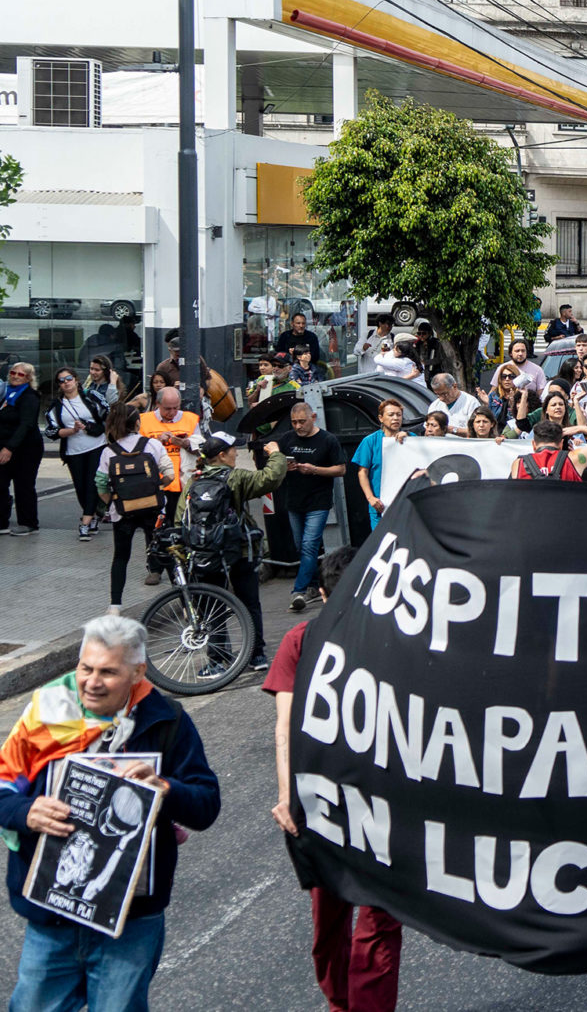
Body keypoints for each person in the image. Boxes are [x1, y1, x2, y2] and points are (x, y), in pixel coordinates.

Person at [0, 615, 220, 1012]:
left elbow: (206, 805)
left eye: (108, 672)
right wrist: (24, 811)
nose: (91, 682)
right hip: (52, 917)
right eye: (85, 668)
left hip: (130, 923)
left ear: (137, 672)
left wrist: (166, 788)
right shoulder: (50, 707)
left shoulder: (167, 720)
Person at [263, 547, 404, 1011]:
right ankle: (341, 1003)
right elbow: (285, 724)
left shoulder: (395, 641)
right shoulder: (301, 642)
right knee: (331, 921)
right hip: (323, 803)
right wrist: (287, 796)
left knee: (377, 923)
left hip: (379, 803)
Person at [176, 431, 288, 669]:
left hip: (206, 554)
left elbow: (181, 521)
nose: (237, 453)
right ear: (222, 455)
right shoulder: (235, 478)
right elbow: (269, 479)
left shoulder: (193, 482)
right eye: (233, 450)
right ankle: (256, 654)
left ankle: (217, 660)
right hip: (240, 550)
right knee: (249, 602)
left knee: (212, 606)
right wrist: (276, 455)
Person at [95, 405, 174, 615]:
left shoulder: (108, 451)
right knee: (166, 553)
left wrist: (112, 502)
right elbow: (170, 475)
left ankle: (115, 605)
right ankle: (184, 603)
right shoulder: (153, 445)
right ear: (137, 423)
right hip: (153, 509)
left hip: (122, 512)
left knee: (121, 556)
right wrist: (156, 487)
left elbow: (101, 485)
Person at [279, 402, 345, 612]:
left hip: (318, 501)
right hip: (294, 500)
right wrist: (284, 468)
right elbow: (273, 465)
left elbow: (341, 469)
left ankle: (298, 591)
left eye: (302, 421)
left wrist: (315, 469)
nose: (298, 426)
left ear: (313, 417)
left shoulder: (327, 440)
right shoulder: (287, 439)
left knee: (309, 544)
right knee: (302, 546)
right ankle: (317, 586)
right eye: (294, 422)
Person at [138, 386, 202, 584]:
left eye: (175, 408)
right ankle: (155, 568)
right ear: (158, 405)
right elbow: (135, 447)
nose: (172, 413)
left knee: (180, 528)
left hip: (182, 485)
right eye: (167, 408)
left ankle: (179, 568)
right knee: (154, 529)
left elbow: (201, 448)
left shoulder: (191, 419)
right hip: (155, 484)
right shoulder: (145, 420)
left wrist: (185, 443)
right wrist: (156, 440)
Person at [46, 367, 109, 540]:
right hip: (73, 451)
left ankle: (85, 523)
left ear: (76, 380)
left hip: (96, 445)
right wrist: (71, 431)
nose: (66, 383)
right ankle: (93, 515)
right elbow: (51, 431)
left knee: (91, 484)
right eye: (61, 380)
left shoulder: (91, 397)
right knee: (80, 487)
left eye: (68, 378)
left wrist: (88, 426)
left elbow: (108, 416)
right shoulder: (57, 405)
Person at [0, 362, 44, 536]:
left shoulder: (30, 396)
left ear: (28, 378)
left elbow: (26, 424)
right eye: (13, 372)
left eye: (20, 374)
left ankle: (28, 522)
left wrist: (9, 448)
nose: (15, 376)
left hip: (26, 447)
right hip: (1, 442)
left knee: (24, 485)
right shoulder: (5, 392)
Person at [352, 398, 406, 529]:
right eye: (391, 415)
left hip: (405, 503)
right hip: (381, 504)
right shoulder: (370, 441)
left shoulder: (410, 438)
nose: (395, 418)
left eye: (398, 415)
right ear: (381, 418)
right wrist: (370, 498)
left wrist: (408, 439)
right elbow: (362, 472)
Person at [511, 419, 587, 480]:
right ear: (561, 443)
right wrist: (581, 428)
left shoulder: (519, 463)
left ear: (534, 444)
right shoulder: (575, 458)